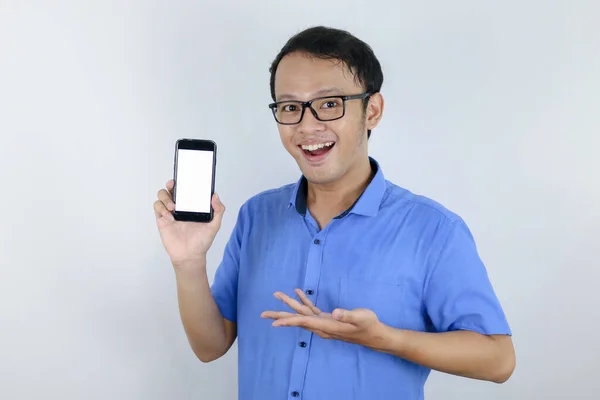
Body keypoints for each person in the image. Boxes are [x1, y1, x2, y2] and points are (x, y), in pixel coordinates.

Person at [153, 25, 515, 400]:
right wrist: (188, 263)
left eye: (329, 103)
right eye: (290, 107)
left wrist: (386, 339)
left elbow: (498, 359)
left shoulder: (434, 230)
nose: (308, 126)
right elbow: (210, 346)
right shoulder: (256, 216)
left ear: (371, 110)